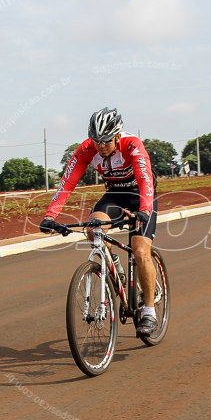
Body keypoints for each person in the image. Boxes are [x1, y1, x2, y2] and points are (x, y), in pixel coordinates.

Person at [40, 107, 159, 336]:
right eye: (96, 141)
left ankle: (150, 312)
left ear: (117, 136)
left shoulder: (133, 146)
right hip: (114, 194)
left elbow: (145, 180)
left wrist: (144, 211)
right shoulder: (86, 149)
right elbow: (67, 184)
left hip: (141, 195)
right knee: (93, 229)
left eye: (105, 141)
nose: (101, 145)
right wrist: (50, 216)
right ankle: (113, 262)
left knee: (140, 251)